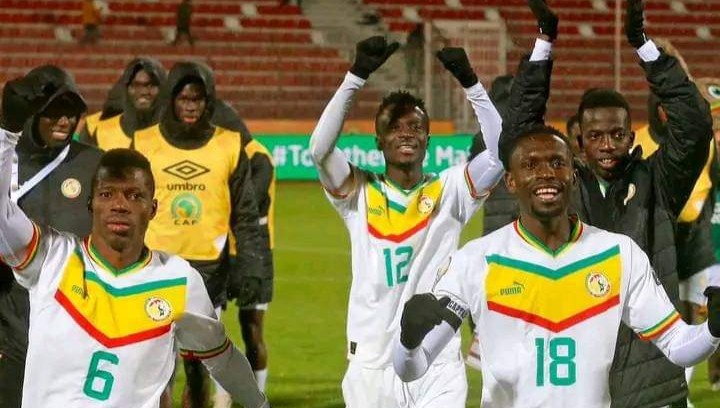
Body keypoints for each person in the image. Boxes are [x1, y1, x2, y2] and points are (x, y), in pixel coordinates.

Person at [394, 121, 720, 408]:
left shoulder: (619, 254)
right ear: (510, 181)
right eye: (530, 165)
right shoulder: (476, 260)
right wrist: (408, 339)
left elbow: (678, 346)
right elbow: (413, 368)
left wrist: (712, 330)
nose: (546, 173)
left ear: (573, 177)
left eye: (557, 163)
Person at [487, 1, 714, 406]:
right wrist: (544, 44)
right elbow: (516, 138)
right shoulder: (561, 188)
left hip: (650, 383)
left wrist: (643, 46)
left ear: (631, 137)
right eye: (596, 137)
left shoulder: (658, 182)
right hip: (579, 381)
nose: (607, 145)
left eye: (616, 135)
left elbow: (695, 127)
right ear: (579, 141)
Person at [0, 76, 268, 408]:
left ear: (153, 208)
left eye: (134, 195)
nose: (119, 205)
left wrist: (260, 405)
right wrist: (6, 133)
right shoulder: (53, 258)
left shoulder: (178, 280)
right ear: (90, 204)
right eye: (107, 194)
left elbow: (222, 358)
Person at [310, 34, 504, 406]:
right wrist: (355, 76)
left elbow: (499, 154)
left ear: (428, 140)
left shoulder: (450, 190)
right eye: (395, 127)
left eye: (415, 127)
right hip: (371, 362)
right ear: (379, 140)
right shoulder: (359, 192)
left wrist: (471, 83)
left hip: (436, 358)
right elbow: (320, 149)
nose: (406, 134)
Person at [133, 61, 264, 408]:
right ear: (171, 99)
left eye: (198, 99)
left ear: (209, 101)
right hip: (154, 267)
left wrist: (251, 266)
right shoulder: (144, 142)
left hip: (208, 271)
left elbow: (245, 214)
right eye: (184, 98)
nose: (191, 106)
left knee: (198, 367)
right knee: (153, 367)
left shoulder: (229, 144)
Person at [0, 65, 103, 408]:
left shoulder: (95, 165)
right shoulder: (5, 157)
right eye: (54, 111)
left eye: (71, 113)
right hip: (10, 316)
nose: (64, 121)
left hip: (72, 314)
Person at [209, 99, 277, 407]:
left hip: (256, 253)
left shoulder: (258, 156)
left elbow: (248, 202)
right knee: (213, 331)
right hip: (221, 252)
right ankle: (221, 397)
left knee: (252, 330)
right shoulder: (220, 153)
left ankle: (256, 398)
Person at [80, 58, 167, 151]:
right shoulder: (99, 133)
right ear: (126, 88)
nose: (143, 92)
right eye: (136, 85)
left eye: (151, 85)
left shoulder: (174, 136)